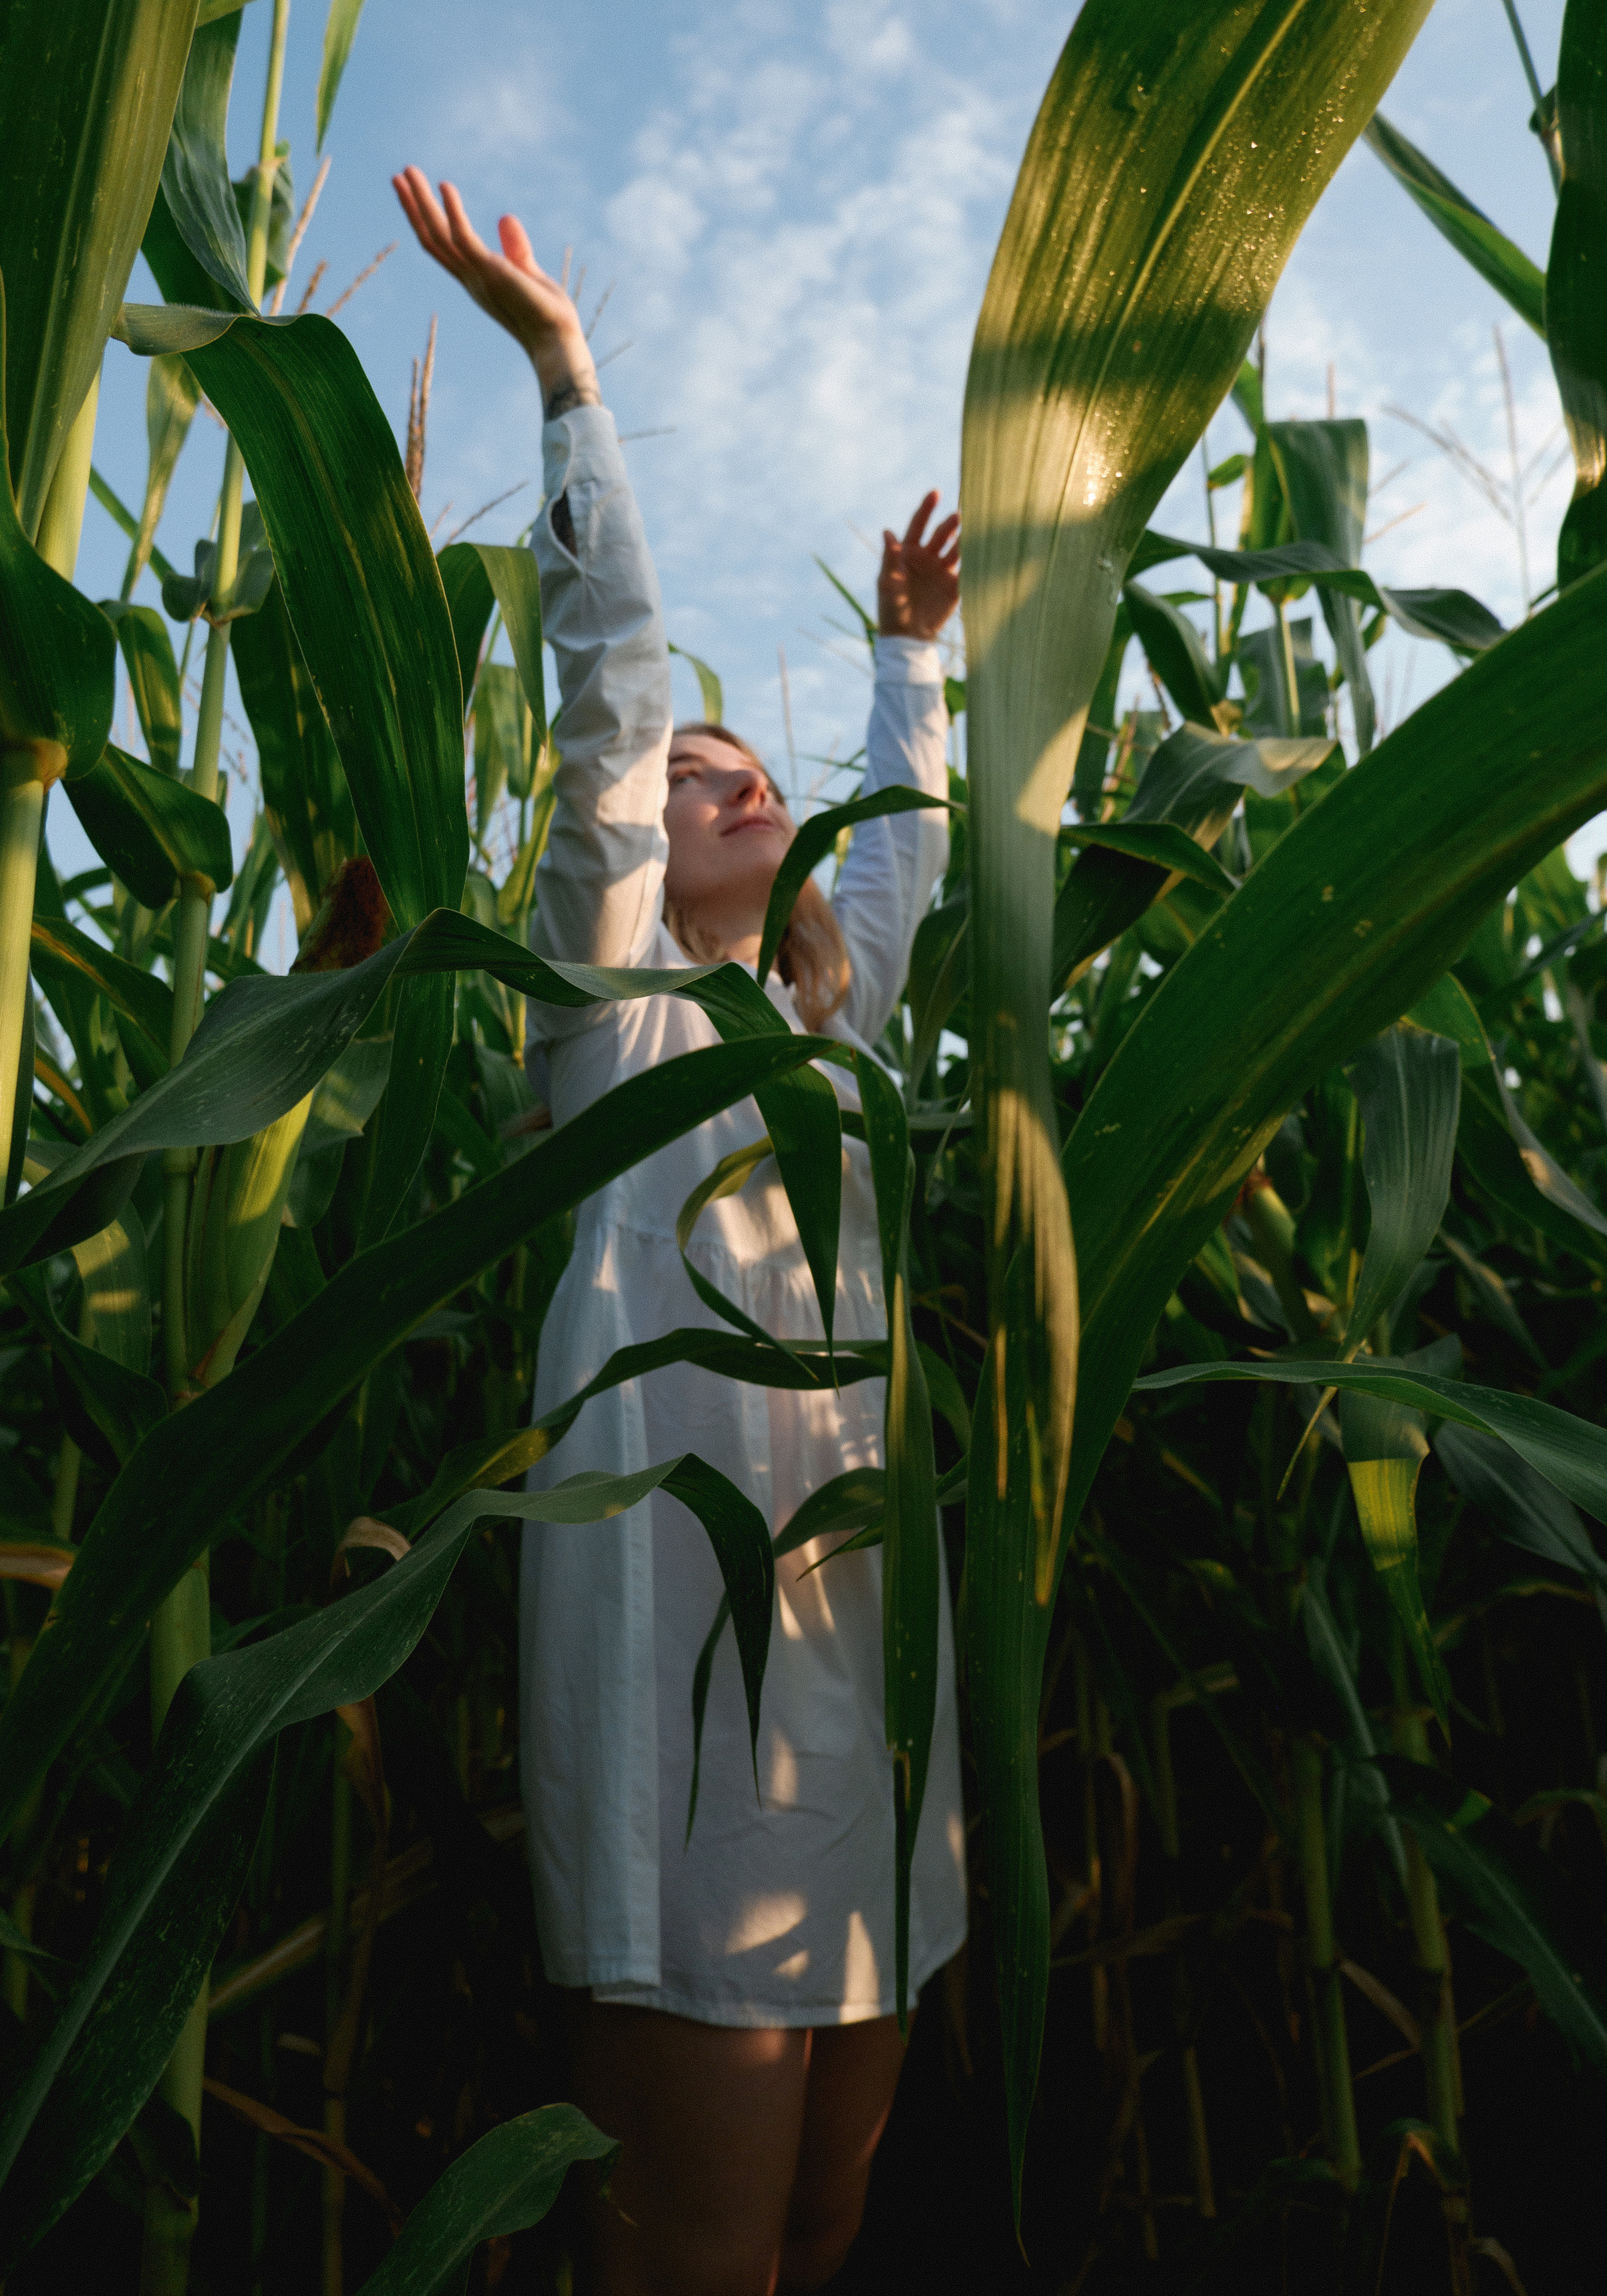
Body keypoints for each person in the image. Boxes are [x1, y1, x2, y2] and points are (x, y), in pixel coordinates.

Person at [394, 169, 967, 2296]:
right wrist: (566, 382)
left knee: (824, 2217)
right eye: (709, 777)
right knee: (695, 2257)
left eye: (756, 772)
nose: (732, 782)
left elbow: (894, 887)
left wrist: (912, 665)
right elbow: (614, 715)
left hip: (864, 1693)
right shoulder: (613, 1026)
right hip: (687, 1704)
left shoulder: (824, 1034)